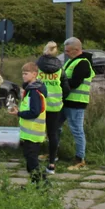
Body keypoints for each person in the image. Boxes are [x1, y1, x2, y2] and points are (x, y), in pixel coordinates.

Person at [11, 62, 48, 184]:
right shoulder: (30, 90)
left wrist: (19, 114)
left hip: (33, 133)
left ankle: (43, 184)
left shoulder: (34, 91)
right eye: (22, 73)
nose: (23, 76)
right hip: (29, 133)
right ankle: (35, 183)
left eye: (26, 73)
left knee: (32, 162)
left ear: (34, 74)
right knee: (30, 161)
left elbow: (34, 112)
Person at [61, 37, 94, 170]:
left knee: (76, 130)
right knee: (55, 127)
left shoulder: (83, 63)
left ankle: (80, 158)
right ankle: (53, 152)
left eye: (68, 51)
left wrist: (61, 83)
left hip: (76, 102)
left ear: (76, 50)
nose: (66, 53)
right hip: (66, 101)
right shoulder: (71, 62)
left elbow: (74, 83)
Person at [35, 41, 65, 175]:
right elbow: (66, 87)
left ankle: (33, 162)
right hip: (55, 105)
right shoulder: (60, 68)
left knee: (36, 133)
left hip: (39, 104)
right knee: (53, 134)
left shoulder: (37, 66)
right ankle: (52, 164)